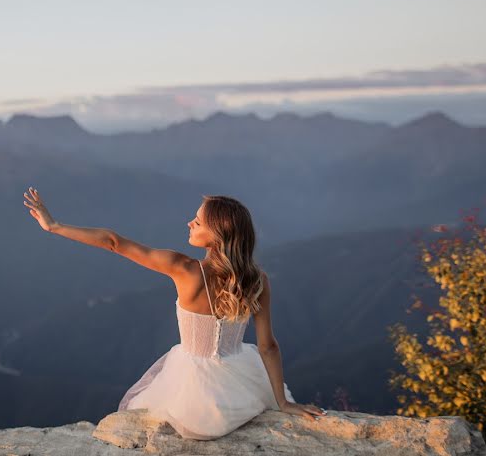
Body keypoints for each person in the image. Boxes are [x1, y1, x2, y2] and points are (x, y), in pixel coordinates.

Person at [22, 187, 325, 440]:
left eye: (198, 221)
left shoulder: (185, 270)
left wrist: (54, 226)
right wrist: (282, 401)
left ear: (217, 234)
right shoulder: (257, 281)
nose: (189, 223)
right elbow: (268, 346)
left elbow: (113, 242)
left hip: (194, 391)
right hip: (244, 383)